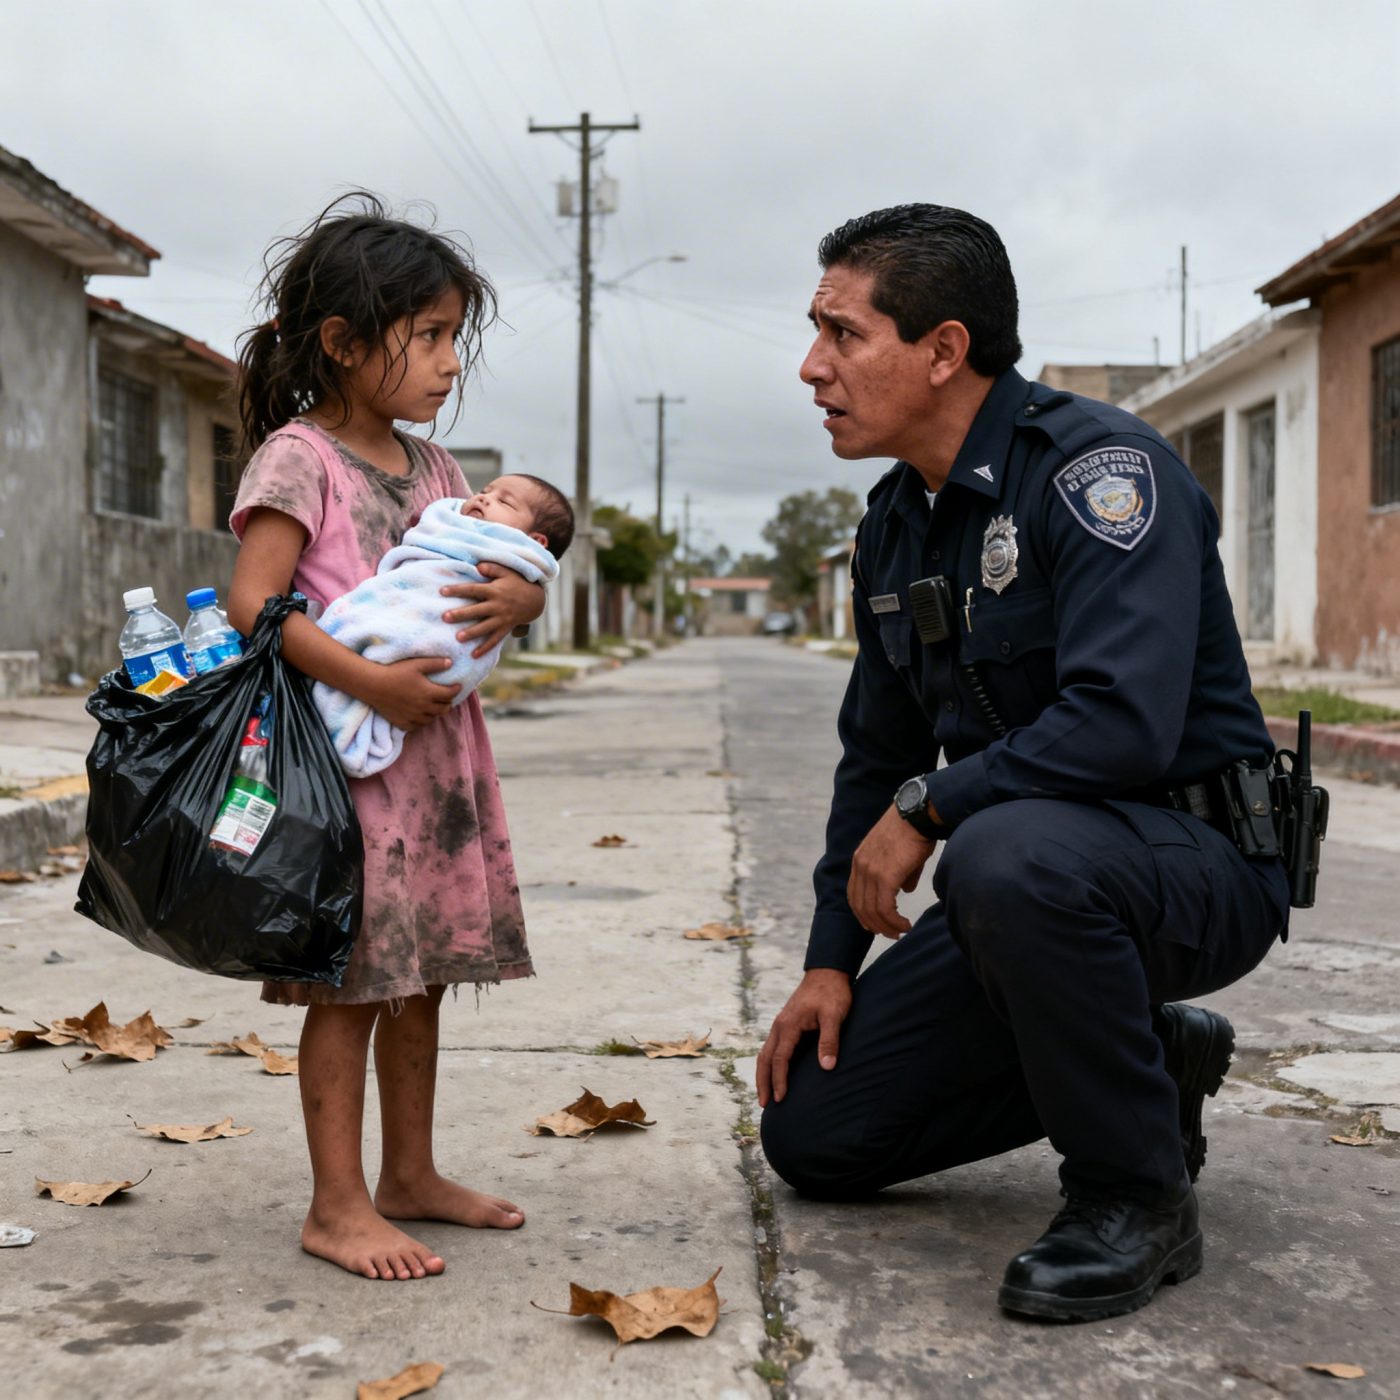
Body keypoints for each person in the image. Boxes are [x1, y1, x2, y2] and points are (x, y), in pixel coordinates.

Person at [756, 204, 1291, 1322]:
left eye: (841, 334)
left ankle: (1133, 1193)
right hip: (1039, 889)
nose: (811, 366)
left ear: (943, 349)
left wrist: (934, 803)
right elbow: (876, 753)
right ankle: (1148, 1057)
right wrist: (827, 961)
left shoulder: (1099, 473)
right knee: (817, 1135)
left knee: (996, 848)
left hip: (1193, 863)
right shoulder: (896, 524)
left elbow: (1121, 723)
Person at [227, 193, 545, 1282]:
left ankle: (409, 1171)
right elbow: (253, 605)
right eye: (429, 336)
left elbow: (489, 570)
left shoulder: (440, 469)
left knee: (418, 977)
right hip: (347, 764)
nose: (450, 362)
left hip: (435, 763)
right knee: (349, 983)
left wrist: (520, 606)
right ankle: (337, 1202)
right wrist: (369, 677)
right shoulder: (297, 457)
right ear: (344, 343)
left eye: (456, 336)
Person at [311, 475, 574, 778]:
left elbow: (521, 595)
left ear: (536, 542)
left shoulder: (443, 475)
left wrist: (530, 599)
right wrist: (376, 682)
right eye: (484, 490)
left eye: (504, 501)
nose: (483, 498)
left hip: (437, 670)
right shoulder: (449, 520)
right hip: (353, 649)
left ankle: (348, 729)